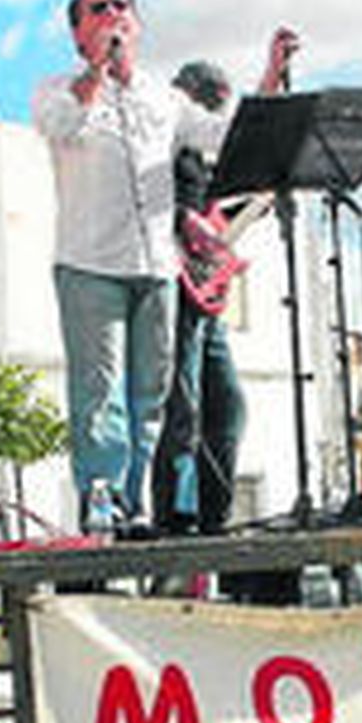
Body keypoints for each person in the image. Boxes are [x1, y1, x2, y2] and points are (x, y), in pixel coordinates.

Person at [31, 0, 295, 532]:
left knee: (149, 395)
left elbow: (226, 134)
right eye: (98, 10)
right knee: (98, 392)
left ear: (139, 24)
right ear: (79, 33)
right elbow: (60, 125)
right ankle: (101, 504)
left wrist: (270, 75)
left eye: (122, 7)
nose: (113, 16)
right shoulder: (56, 88)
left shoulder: (163, 98)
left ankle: (133, 504)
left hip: (154, 266)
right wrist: (98, 75)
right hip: (88, 263)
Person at [152, 61, 248, 536]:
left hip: (206, 292)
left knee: (227, 405)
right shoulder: (165, 144)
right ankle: (175, 515)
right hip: (175, 284)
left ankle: (215, 516)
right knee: (182, 409)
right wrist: (186, 221)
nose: (215, 115)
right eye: (212, 105)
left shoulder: (206, 157)